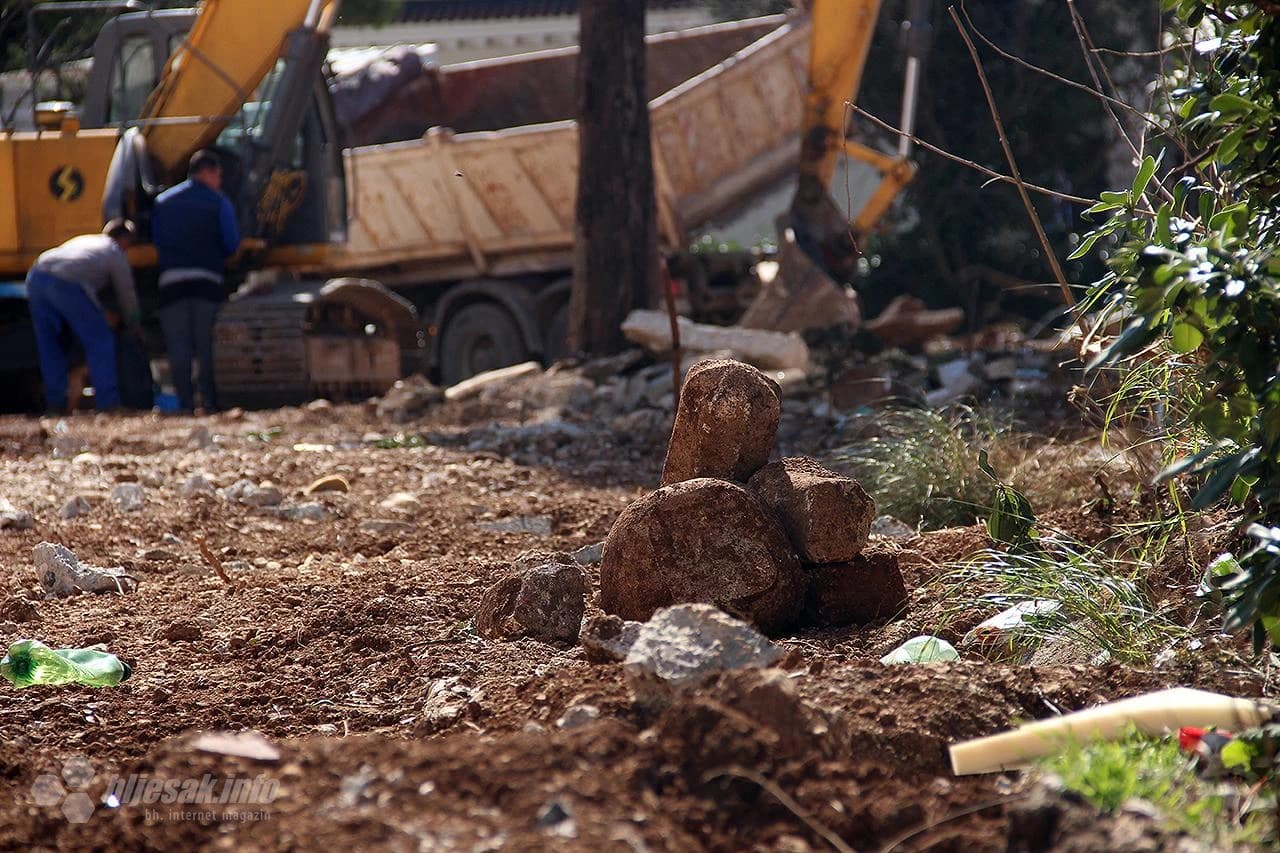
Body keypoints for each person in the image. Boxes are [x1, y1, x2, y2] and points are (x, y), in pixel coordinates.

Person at [152, 149, 240, 414]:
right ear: (207, 172)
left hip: (171, 284)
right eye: (218, 175)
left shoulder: (163, 202)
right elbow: (232, 243)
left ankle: (185, 405)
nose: (220, 180)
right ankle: (210, 403)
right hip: (206, 282)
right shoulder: (218, 202)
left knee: (179, 348)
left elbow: (156, 240)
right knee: (206, 346)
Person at [26, 219, 142, 413]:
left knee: (51, 346)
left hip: (36, 276)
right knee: (101, 341)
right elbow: (126, 293)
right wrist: (134, 323)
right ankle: (108, 404)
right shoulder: (113, 251)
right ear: (124, 240)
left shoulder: (86, 241)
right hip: (64, 282)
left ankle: (56, 404)